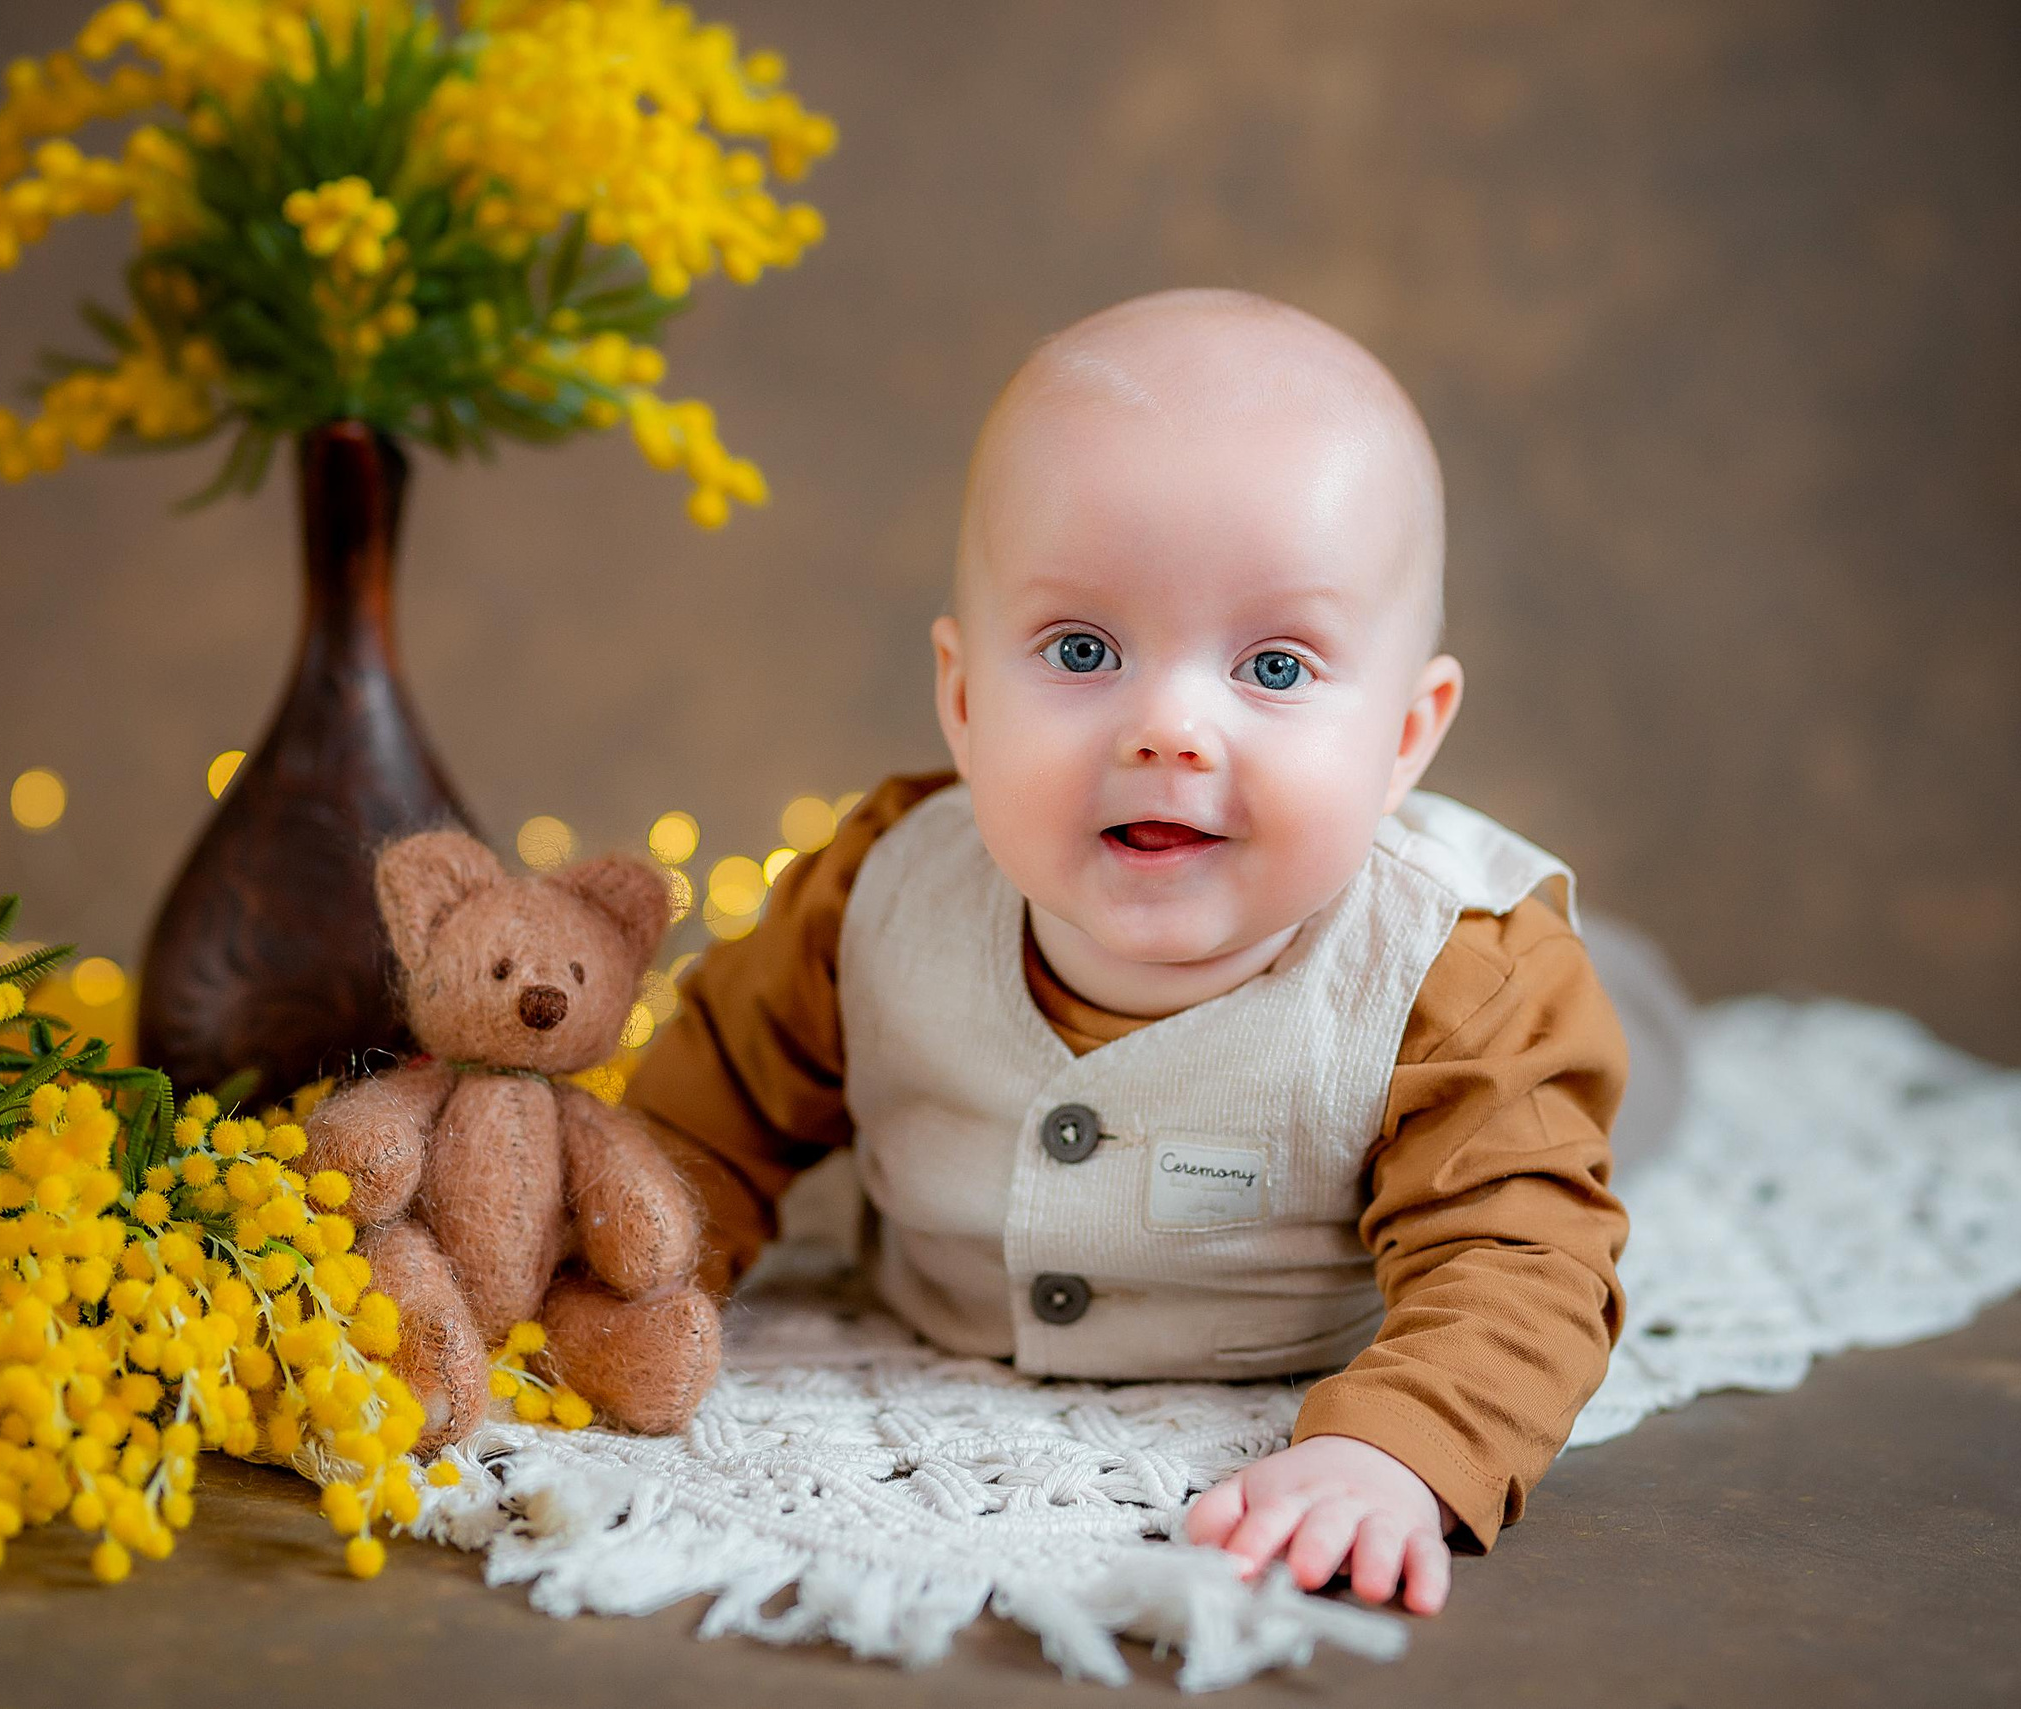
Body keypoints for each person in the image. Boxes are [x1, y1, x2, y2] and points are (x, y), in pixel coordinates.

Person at [625, 287, 1685, 1615]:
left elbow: (1517, 1260)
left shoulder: (1463, 981)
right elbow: (699, 1117)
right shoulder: (874, 897)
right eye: (1083, 648)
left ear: (1408, 734)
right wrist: (628, 1277)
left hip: (1529, 1078)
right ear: (961, 699)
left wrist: (1393, 1449)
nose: (1170, 727)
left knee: (1608, 1089)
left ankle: (1646, 1003)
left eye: (1278, 668)